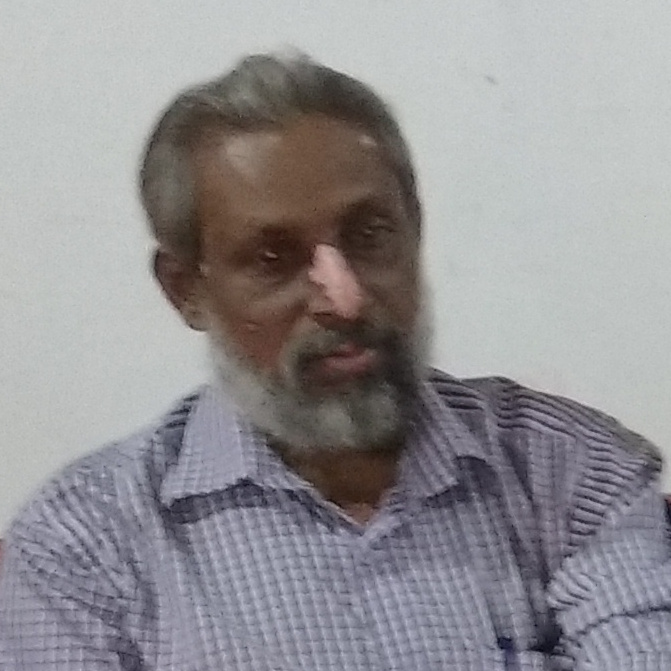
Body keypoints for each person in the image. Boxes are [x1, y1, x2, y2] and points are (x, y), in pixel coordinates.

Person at [1, 51, 670, 671]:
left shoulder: (573, 476)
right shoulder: (86, 546)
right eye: (273, 258)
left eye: (370, 235)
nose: (344, 298)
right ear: (186, 290)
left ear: (415, 231)